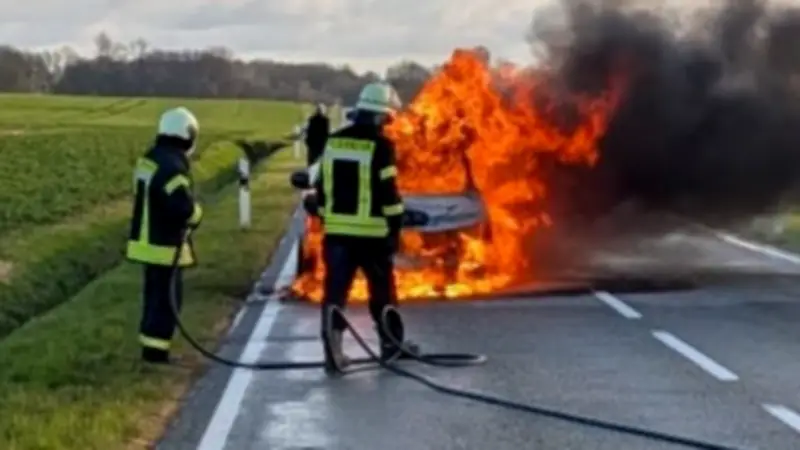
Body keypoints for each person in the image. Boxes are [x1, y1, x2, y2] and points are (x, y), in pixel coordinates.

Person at [306, 81, 417, 374]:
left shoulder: (334, 142)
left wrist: (325, 216)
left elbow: (321, 188)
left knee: (335, 294)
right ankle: (391, 346)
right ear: (381, 116)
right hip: (372, 236)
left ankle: (333, 351)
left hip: (337, 236)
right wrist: (396, 226)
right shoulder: (381, 146)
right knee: (382, 293)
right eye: (388, 118)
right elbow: (388, 194)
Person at [126, 107, 203, 364]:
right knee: (168, 302)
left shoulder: (151, 159)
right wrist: (196, 215)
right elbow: (181, 207)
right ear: (186, 134)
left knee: (154, 299)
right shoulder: (173, 166)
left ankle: (151, 350)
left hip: (147, 242)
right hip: (164, 245)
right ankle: (157, 355)